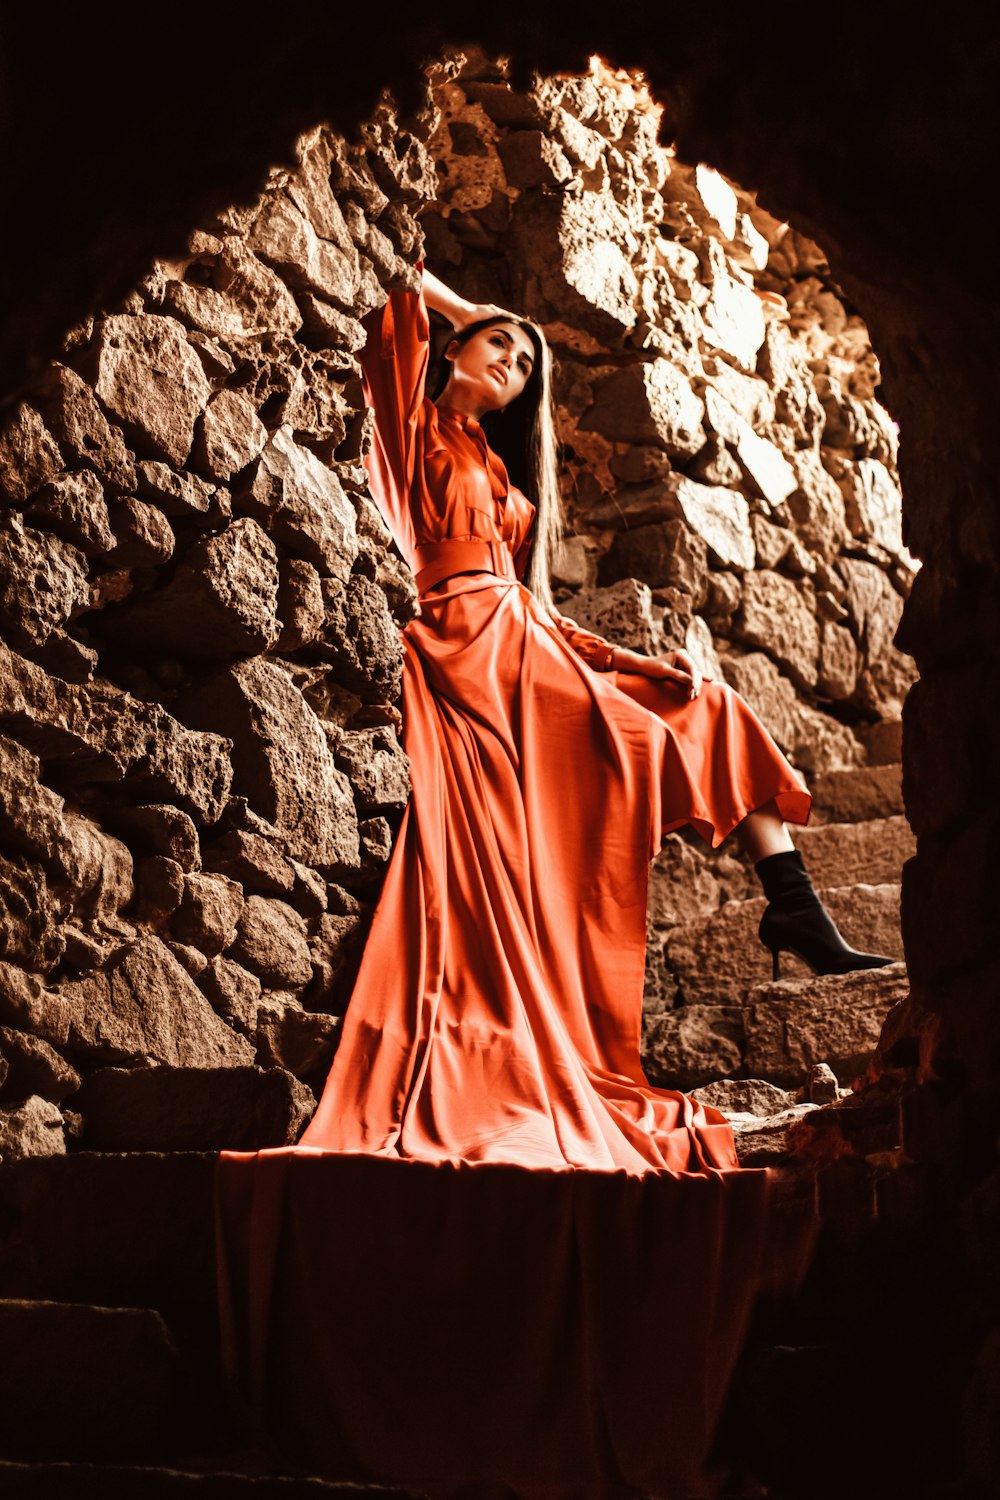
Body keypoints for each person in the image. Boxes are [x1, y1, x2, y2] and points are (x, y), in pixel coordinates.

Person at [215, 262, 889, 1496]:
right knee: (637, 737)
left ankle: (791, 903)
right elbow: (397, 320)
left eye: (528, 362)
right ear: (453, 355)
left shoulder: (502, 462)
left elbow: (521, 555)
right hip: (463, 651)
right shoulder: (423, 424)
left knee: (697, 698)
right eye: (498, 353)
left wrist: (503, 360)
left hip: (529, 639)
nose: (515, 369)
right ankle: (777, 907)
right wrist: (472, 312)